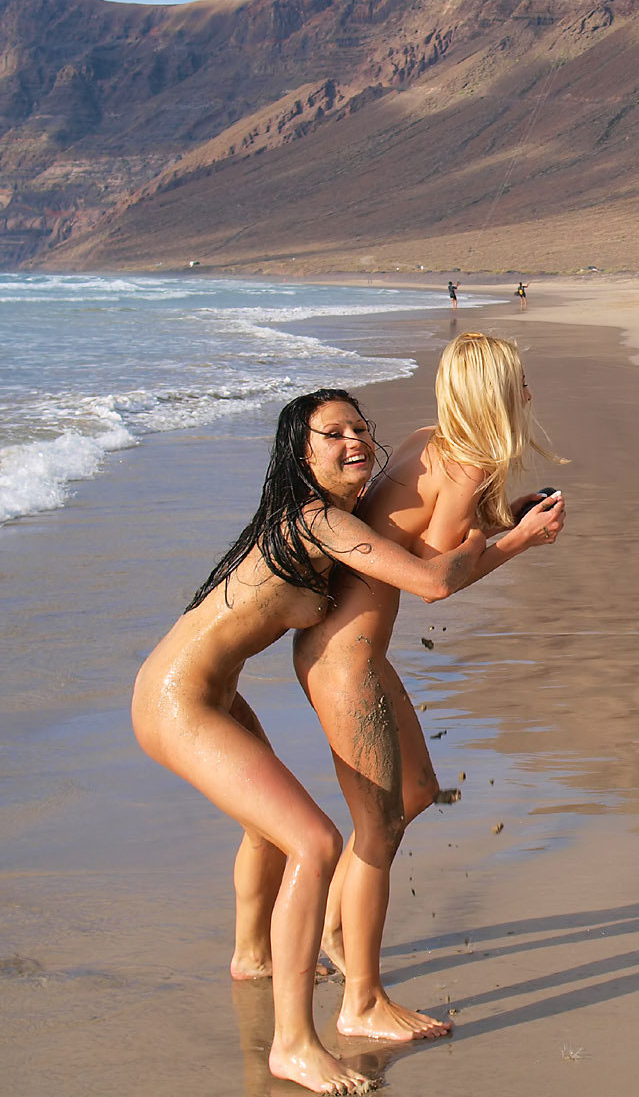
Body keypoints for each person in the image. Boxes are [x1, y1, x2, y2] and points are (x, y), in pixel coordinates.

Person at [131, 390, 487, 1095]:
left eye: (359, 427)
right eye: (332, 433)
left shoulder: (331, 519)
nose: (354, 440)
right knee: (315, 843)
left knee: (269, 830)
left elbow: (412, 551)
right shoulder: (316, 522)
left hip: (211, 692)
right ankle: (293, 1045)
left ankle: (252, 956)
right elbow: (429, 580)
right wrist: (502, 540)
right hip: (177, 701)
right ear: (301, 454)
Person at [294, 332, 566, 1041]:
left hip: (352, 653)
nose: (528, 392)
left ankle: (334, 927)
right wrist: (519, 541)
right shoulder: (467, 465)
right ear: (493, 396)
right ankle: (360, 1002)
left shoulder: (433, 441)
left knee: (414, 793)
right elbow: (437, 581)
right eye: (518, 382)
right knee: (379, 826)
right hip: (345, 663)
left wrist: (505, 520)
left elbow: (425, 540)